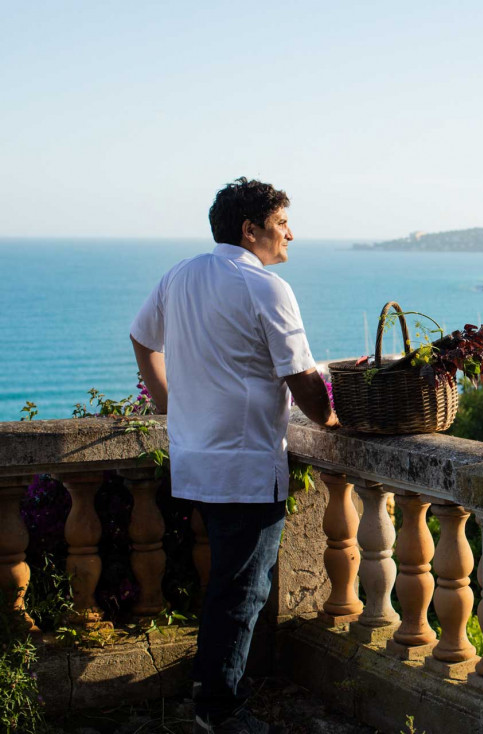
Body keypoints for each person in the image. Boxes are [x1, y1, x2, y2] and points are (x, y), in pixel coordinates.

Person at [130, 177, 337, 734]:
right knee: (242, 590)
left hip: (195, 459)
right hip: (245, 465)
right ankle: (218, 711)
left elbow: (142, 339)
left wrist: (170, 405)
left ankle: (211, 694)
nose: (291, 233)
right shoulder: (266, 287)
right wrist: (332, 421)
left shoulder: (180, 274)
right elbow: (300, 377)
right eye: (282, 223)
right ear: (250, 230)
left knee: (226, 582)